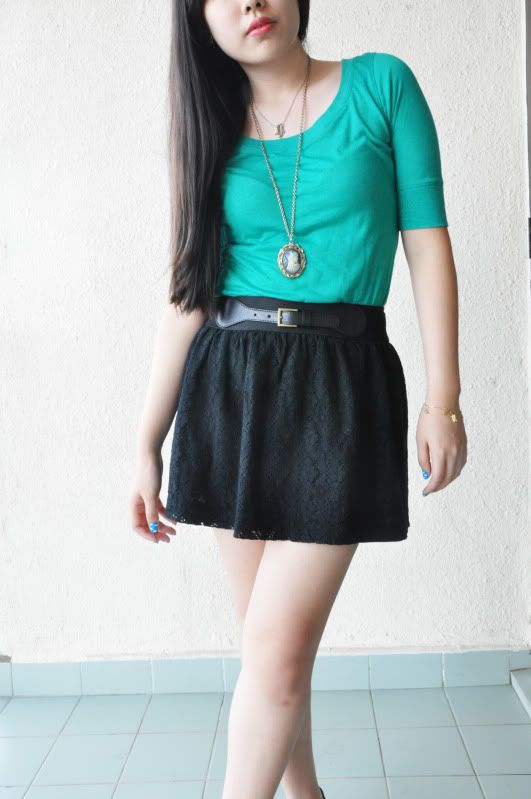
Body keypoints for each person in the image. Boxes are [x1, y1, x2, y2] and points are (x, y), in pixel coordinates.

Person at [129, 1, 468, 797]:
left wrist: (444, 398)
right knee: (269, 647)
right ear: (197, 19)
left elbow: (426, 244)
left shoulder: (382, 86)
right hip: (230, 385)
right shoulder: (208, 126)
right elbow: (187, 293)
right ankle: (305, 792)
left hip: (341, 386)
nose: (251, 1)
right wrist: (145, 440)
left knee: (275, 650)